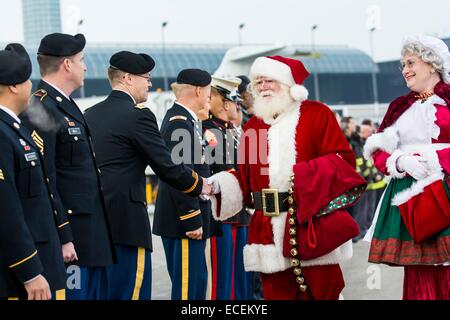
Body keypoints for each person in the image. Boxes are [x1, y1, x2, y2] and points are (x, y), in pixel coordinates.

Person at [207, 56, 365, 300]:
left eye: (270, 80)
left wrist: (302, 176)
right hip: (266, 231)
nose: (263, 87)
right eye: (258, 82)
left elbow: (343, 160)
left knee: (324, 291)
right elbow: (247, 181)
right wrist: (220, 185)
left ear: (289, 84)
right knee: (276, 294)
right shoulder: (253, 129)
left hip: (310, 225)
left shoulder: (316, 114)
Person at [84, 53, 211, 300]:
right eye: (147, 78)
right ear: (128, 79)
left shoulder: (90, 113)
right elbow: (167, 166)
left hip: (97, 223)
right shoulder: (138, 115)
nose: (150, 84)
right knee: (132, 292)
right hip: (127, 223)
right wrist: (201, 185)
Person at [20, 33, 115, 300]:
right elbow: (44, 178)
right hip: (70, 238)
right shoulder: (40, 107)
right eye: (81, 60)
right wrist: (63, 235)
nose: (85, 66)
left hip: (88, 234)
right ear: (66, 64)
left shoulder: (65, 104)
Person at [363, 35, 450, 300]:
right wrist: (399, 161)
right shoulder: (398, 107)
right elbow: (377, 150)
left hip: (446, 192)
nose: (405, 70)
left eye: (411, 62)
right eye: (403, 64)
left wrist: (441, 159)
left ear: (432, 64)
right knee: (419, 273)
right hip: (412, 202)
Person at [0, 43, 66, 300]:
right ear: (14, 86)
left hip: (42, 262)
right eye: (27, 80)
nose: (32, 86)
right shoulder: (4, 134)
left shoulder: (14, 130)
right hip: (20, 277)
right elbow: (6, 210)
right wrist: (29, 272)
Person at [153, 69, 215, 300]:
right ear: (199, 90)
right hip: (183, 224)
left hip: (186, 222)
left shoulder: (187, 121)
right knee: (189, 290)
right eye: (208, 92)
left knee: (197, 284)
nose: (209, 97)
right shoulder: (179, 123)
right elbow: (178, 175)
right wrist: (192, 218)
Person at [203, 76, 252, 300]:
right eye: (235, 102)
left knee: (241, 279)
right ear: (224, 104)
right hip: (220, 214)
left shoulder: (232, 131)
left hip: (239, 213)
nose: (238, 106)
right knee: (221, 282)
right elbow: (221, 168)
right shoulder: (208, 131)